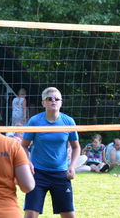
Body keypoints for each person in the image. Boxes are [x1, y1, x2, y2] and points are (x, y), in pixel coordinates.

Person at [21, 87, 81, 218]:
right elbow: (24, 146)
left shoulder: (68, 122)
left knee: (69, 215)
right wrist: (28, 162)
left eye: (56, 99)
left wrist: (72, 166)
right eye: (49, 99)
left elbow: (76, 147)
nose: (53, 101)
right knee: (30, 214)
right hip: (38, 173)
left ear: (61, 102)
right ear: (43, 103)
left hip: (61, 173)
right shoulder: (35, 121)